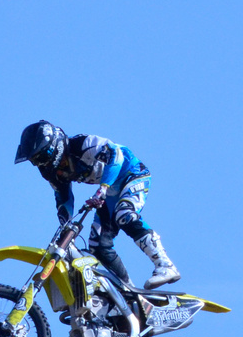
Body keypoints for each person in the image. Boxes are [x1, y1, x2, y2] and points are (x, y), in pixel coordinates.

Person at [14, 120, 179, 289]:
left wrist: (103, 188)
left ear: (53, 146)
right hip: (110, 192)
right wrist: (65, 224)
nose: (40, 163)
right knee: (97, 245)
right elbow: (63, 196)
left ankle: (165, 265)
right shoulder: (53, 172)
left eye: (41, 157)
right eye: (35, 160)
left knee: (124, 214)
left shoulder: (82, 144)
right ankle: (128, 292)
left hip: (133, 174)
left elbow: (116, 155)